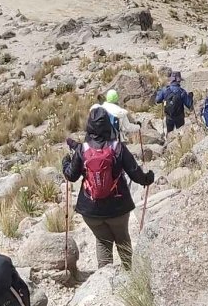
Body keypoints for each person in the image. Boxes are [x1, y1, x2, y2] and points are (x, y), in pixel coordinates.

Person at [61, 108, 155, 268]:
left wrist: (65, 162)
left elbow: (71, 176)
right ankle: (129, 276)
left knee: (102, 241)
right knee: (123, 240)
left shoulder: (82, 149)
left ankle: (105, 280)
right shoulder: (117, 147)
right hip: (118, 206)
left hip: (91, 209)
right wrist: (148, 178)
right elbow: (135, 174)